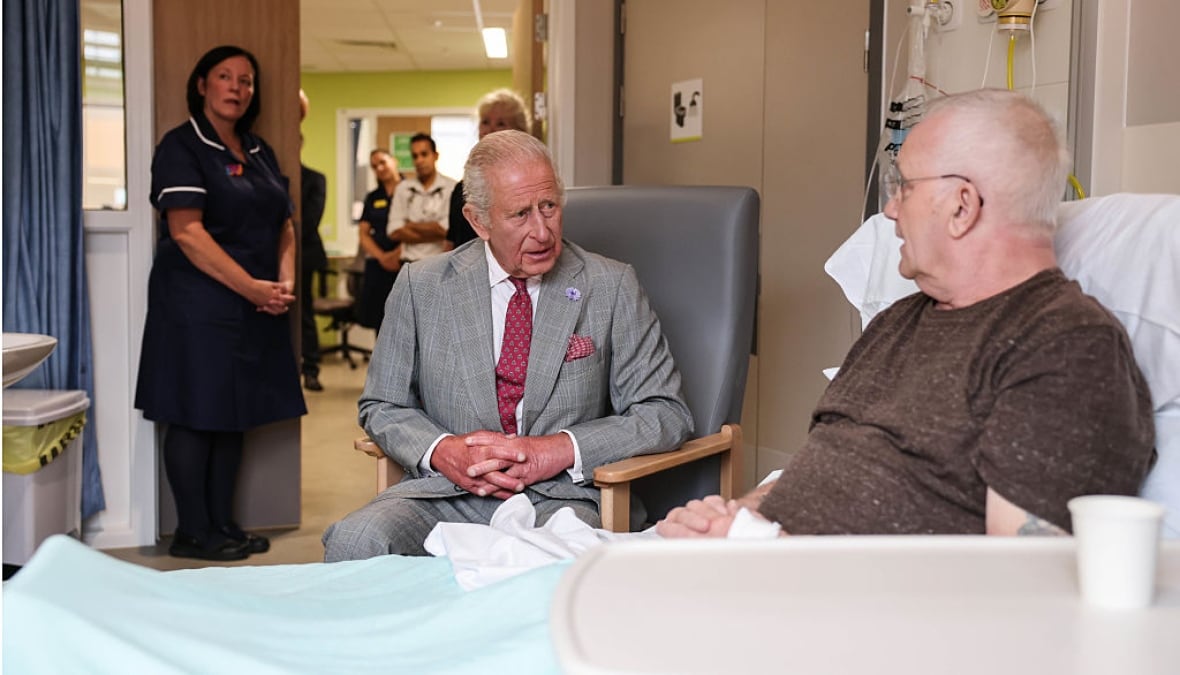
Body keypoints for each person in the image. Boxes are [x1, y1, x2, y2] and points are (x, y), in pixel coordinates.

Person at [658, 89, 1156, 540]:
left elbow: (1021, 580)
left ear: (962, 205)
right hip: (765, 573)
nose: (892, 210)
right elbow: (825, 467)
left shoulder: (1065, 345)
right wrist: (734, 517)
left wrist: (761, 548)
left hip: (866, 619)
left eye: (906, 187)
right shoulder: (899, 321)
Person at [322, 130, 694, 560]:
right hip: (446, 493)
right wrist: (443, 451)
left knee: (541, 570)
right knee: (355, 541)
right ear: (479, 221)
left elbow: (665, 411)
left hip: (561, 500)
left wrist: (557, 450)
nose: (542, 231)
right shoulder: (419, 286)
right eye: (520, 214)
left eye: (549, 207)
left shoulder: (610, 285)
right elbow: (382, 405)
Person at [136, 45, 306, 561]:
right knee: (195, 413)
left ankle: (224, 525)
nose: (237, 87)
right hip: (197, 306)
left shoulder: (258, 150)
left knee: (235, 414)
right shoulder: (182, 146)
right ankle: (194, 531)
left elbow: (284, 224)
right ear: (202, 85)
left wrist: (282, 281)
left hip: (254, 305)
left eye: (246, 80)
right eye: (225, 77)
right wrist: (252, 287)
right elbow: (186, 233)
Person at [447, 89, 532, 249]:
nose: (490, 130)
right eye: (485, 122)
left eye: (500, 123)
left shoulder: (528, 183)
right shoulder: (462, 188)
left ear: (519, 131)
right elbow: (450, 241)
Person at [386, 133, 456, 266]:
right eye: (415, 156)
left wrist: (410, 225)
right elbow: (393, 231)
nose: (419, 160)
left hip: (440, 264)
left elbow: (447, 231)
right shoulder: (403, 188)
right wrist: (434, 231)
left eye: (424, 154)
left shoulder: (451, 188)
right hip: (408, 264)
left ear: (435, 156)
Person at [298, 92, 328, 391]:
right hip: (268, 259)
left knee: (304, 312)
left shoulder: (314, 179)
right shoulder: (274, 179)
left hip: (304, 254)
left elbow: (309, 220)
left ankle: (311, 368)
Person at [355, 148, 402, 330]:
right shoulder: (373, 197)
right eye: (375, 166)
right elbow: (364, 234)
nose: (380, 168)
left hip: (404, 261)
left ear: (394, 161)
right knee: (380, 321)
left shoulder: (410, 190)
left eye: (383, 162)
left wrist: (397, 254)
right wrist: (383, 257)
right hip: (378, 264)